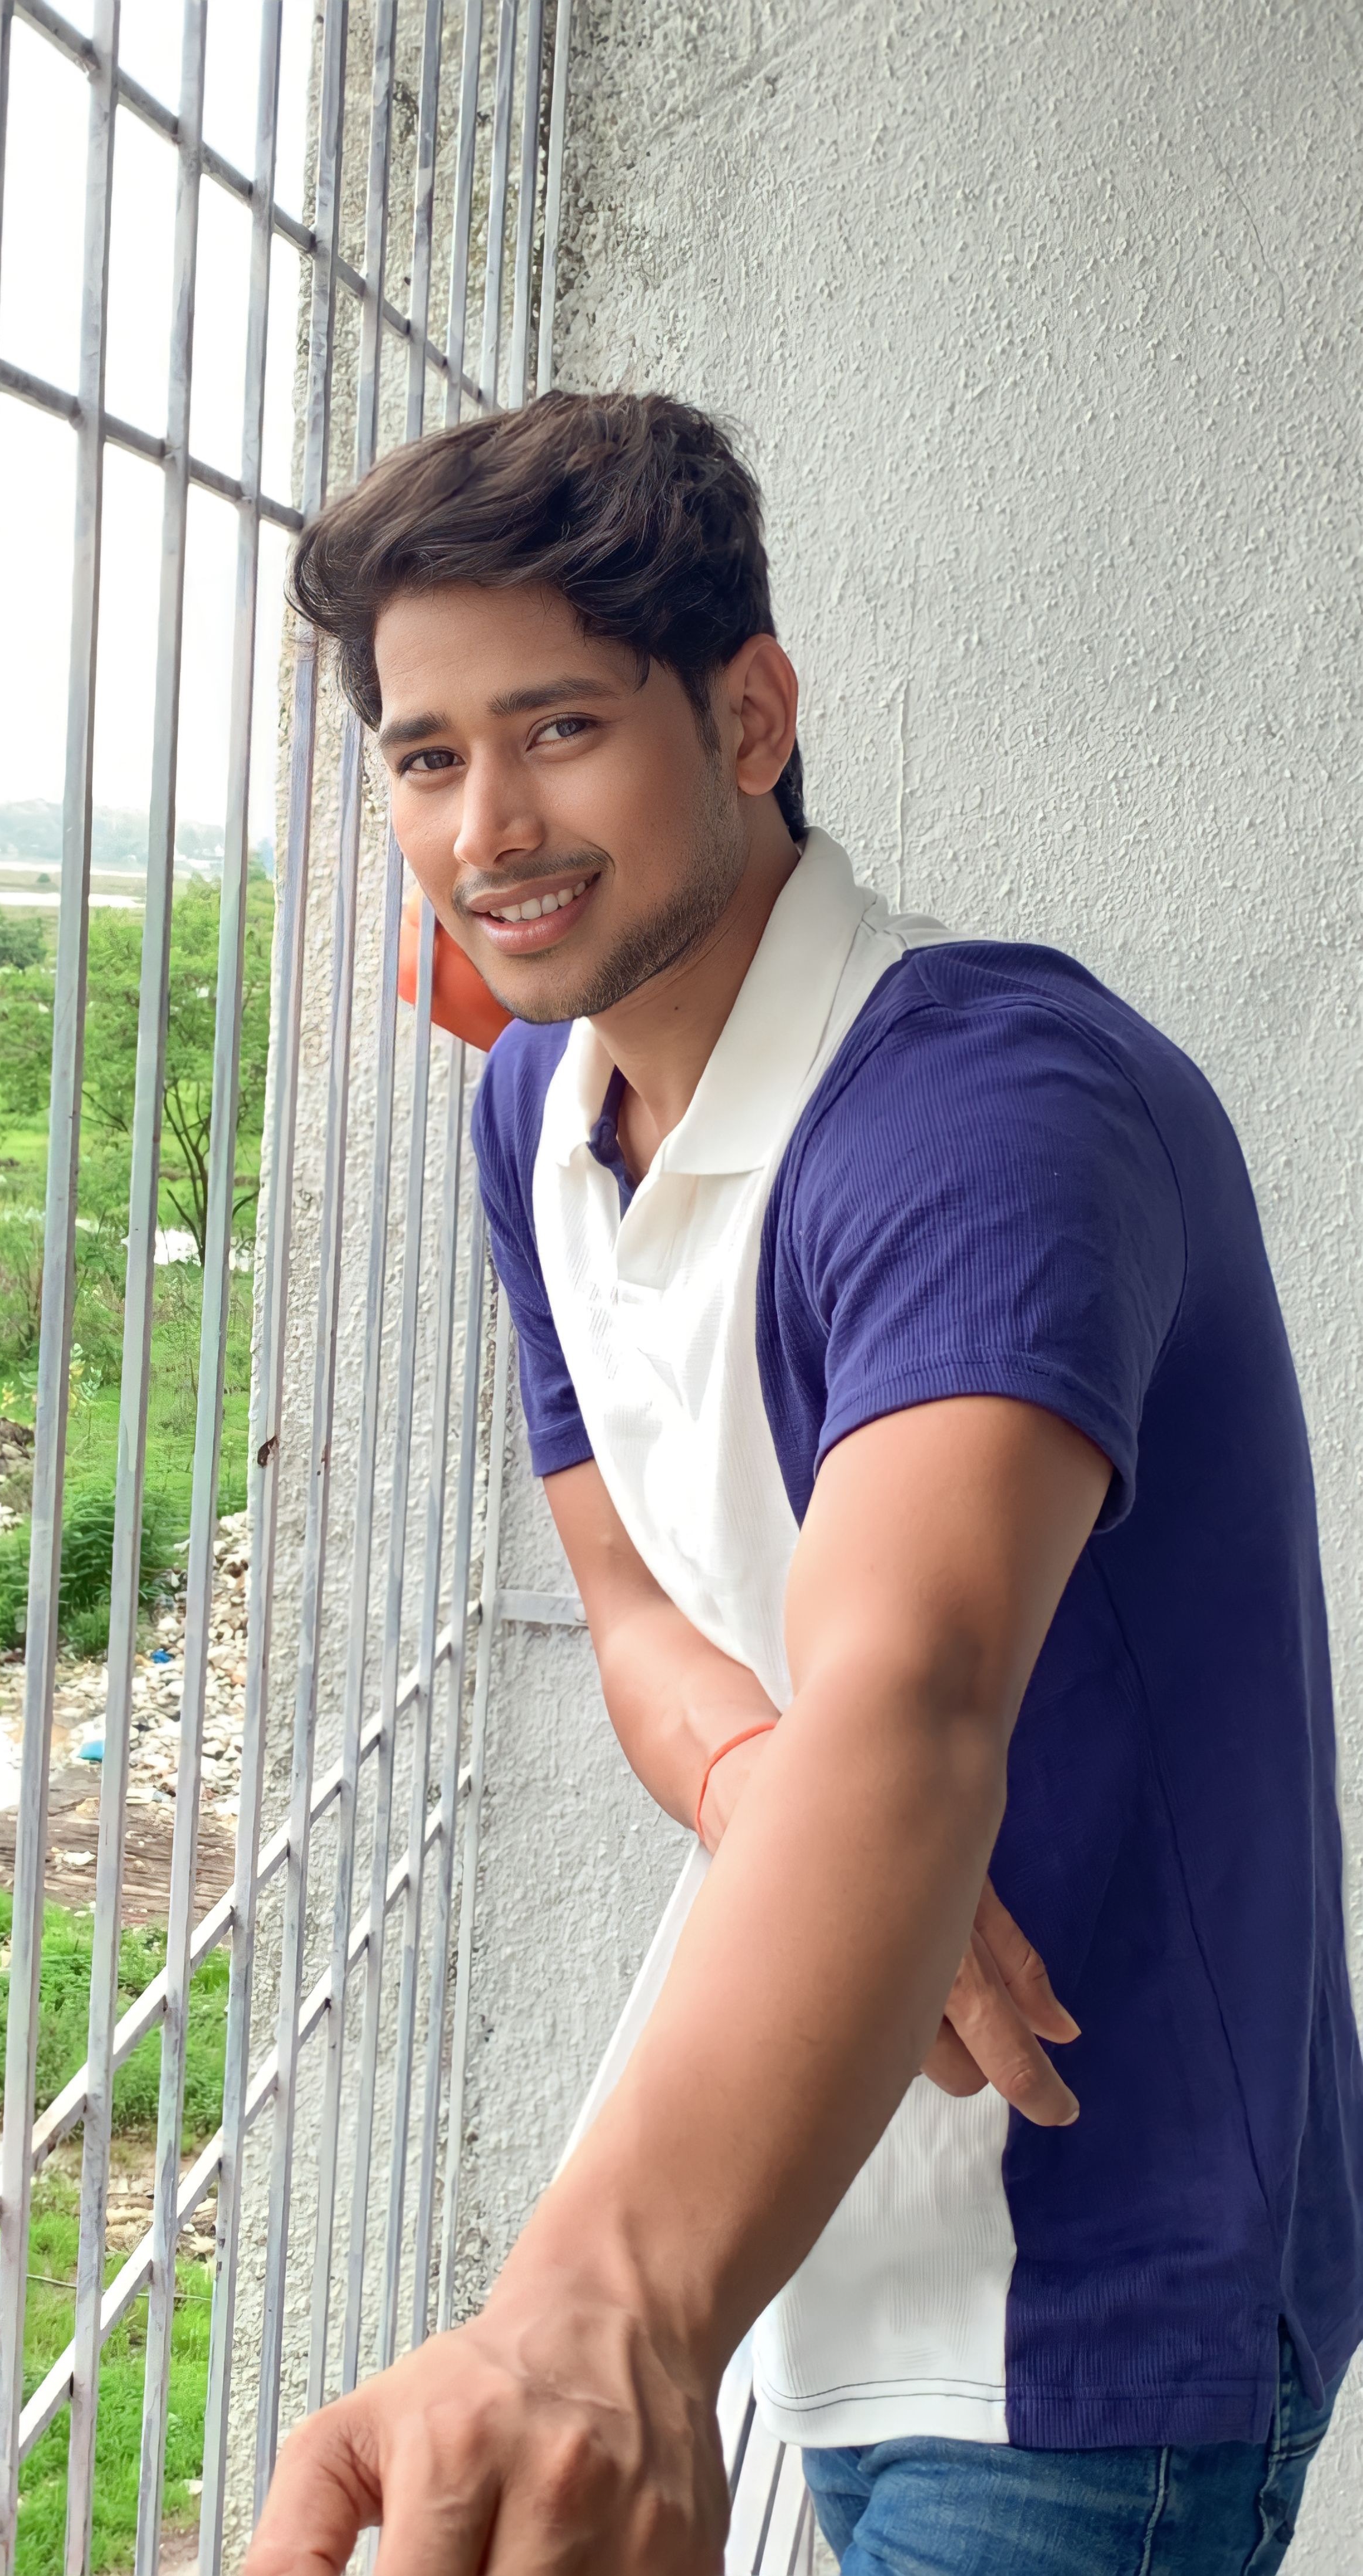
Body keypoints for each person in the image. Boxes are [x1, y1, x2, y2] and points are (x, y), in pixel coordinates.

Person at [247, 392, 1363, 2575]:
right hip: (805, 2237)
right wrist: (773, 1793)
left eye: (561, 728)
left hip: (1094, 2296)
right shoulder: (538, 1109)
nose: (489, 826)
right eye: (426, 755)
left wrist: (595, 2322)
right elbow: (640, 1610)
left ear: (750, 715)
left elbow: (909, 1700)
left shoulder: (991, 1115)